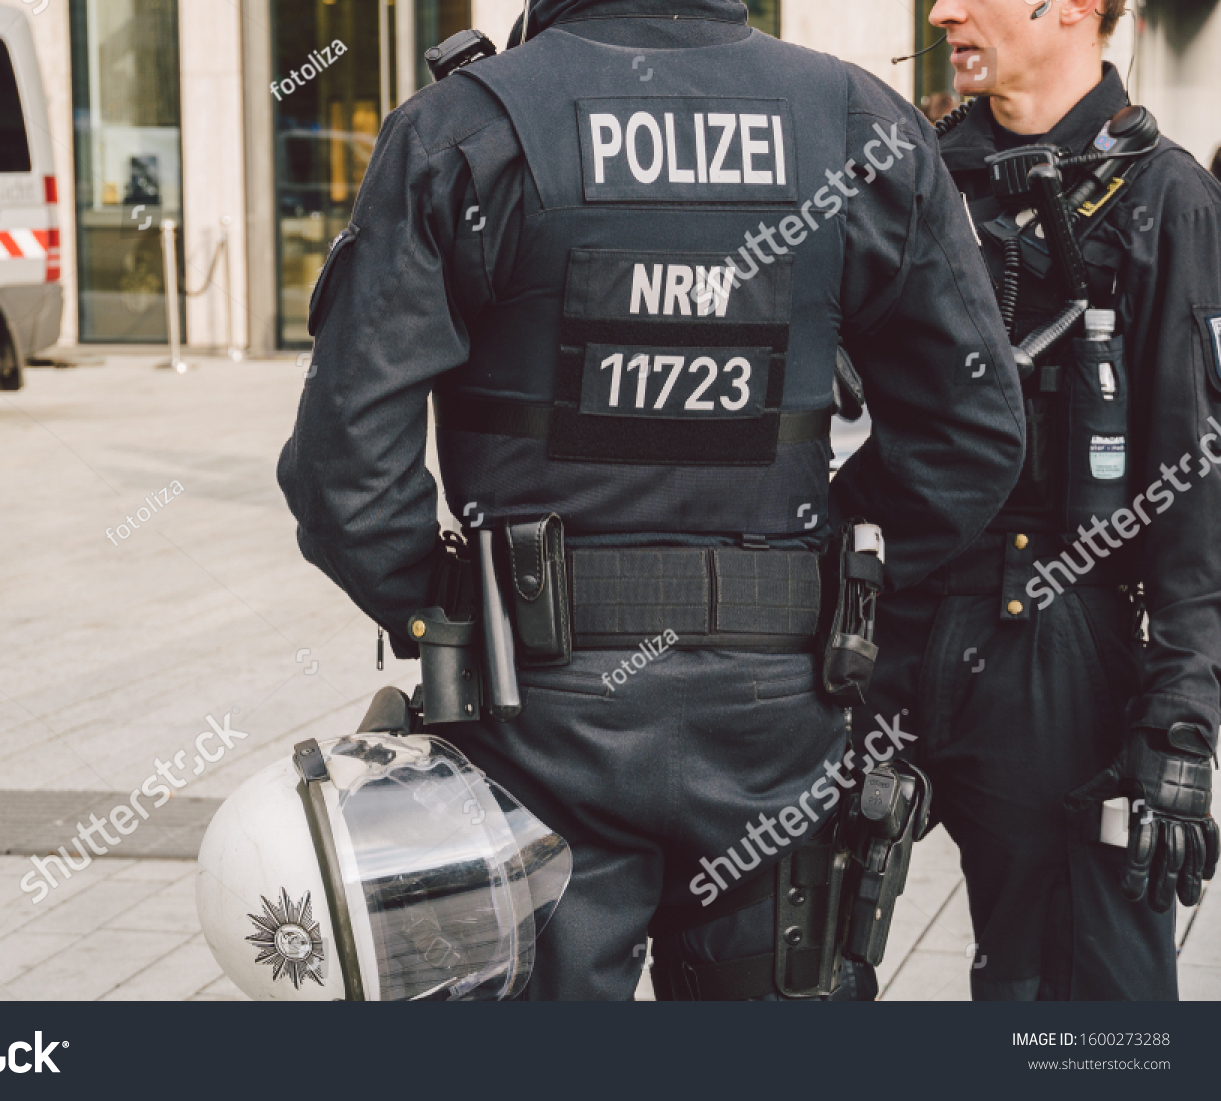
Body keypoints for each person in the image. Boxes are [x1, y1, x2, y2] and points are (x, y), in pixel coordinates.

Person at [277, 0, 1026, 999]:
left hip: (531, 715)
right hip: (780, 717)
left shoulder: (471, 124)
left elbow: (344, 475)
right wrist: (826, 579)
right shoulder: (856, 121)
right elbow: (972, 435)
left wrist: (454, 610)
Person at [866, 0, 1221, 1000]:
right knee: (793, 963)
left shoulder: (1166, 199)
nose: (943, 10)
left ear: (1071, 8)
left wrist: (1179, 716)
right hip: (888, 629)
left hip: (1060, 645)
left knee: (1078, 1006)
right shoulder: (915, 179)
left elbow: (1196, 484)